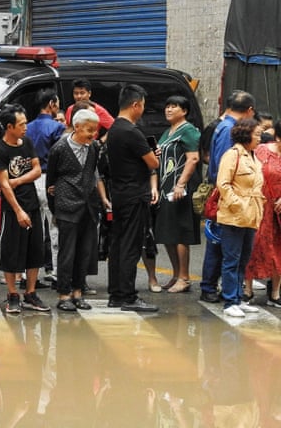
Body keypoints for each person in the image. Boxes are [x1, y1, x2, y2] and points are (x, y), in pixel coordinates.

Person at [46, 109, 110, 311]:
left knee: (84, 252)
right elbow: (51, 179)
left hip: (88, 206)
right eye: (90, 130)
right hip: (66, 205)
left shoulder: (92, 148)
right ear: (77, 127)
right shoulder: (59, 148)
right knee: (67, 252)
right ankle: (64, 294)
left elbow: (92, 174)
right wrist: (54, 207)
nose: (93, 134)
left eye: (96, 130)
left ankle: (77, 293)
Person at [105, 84, 160, 312]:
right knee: (130, 246)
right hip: (134, 195)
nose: (143, 111)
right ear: (135, 104)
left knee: (118, 245)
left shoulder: (114, 129)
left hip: (118, 193)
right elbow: (153, 164)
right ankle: (127, 296)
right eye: (143, 106)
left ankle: (116, 293)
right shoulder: (131, 131)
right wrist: (151, 154)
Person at [0, 104, 50, 314]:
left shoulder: (26, 142)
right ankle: (12, 294)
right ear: (9, 127)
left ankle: (30, 293)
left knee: (35, 250)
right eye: (22, 124)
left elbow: (36, 170)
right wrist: (17, 210)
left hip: (32, 203)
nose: (25, 127)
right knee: (11, 251)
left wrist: (18, 181)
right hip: (12, 208)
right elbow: (4, 184)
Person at [200, 90, 256, 303]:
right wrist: (233, 200)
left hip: (228, 196)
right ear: (249, 110)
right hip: (227, 197)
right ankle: (209, 287)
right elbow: (225, 171)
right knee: (221, 245)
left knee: (223, 245)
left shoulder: (223, 126)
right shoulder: (229, 130)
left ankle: (215, 287)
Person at [216, 119, 265, 318]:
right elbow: (223, 184)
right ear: (246, 135)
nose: (260, 138)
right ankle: (229, 301)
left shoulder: (253, 156)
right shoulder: (232, 155)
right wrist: (239, 204)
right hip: (234, 216)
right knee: (231, 259)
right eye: (257, 134)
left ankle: (237, 298)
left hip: (252, 215)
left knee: (243, 259)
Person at [153, 95, 201, 294]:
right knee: (167, 232)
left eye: (174, 106)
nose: (169, 109)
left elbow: (193, 159)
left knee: (180, 232)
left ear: (185, 111)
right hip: (166, 188)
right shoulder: (167, 132)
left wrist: (181, 184)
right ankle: (175, 274)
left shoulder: (188, 130)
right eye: (167, 106)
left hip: (179, 189)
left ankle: (184, 277)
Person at [27, 88, 66, 284]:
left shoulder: (27, 127)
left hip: (29, 179)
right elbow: (59, 157)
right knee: (54, 227)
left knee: (32, 228)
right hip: (49, 179)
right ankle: (57, 272)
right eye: (56, 103)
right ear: (51, 104)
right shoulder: (57, 128)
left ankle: (27, 274)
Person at [247, 118, 281, 307]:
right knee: (253, 247)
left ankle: (275, 293)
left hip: (278, 211)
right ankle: (247, 289)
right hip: (260, 208)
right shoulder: (261, 150)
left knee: (278, 250)